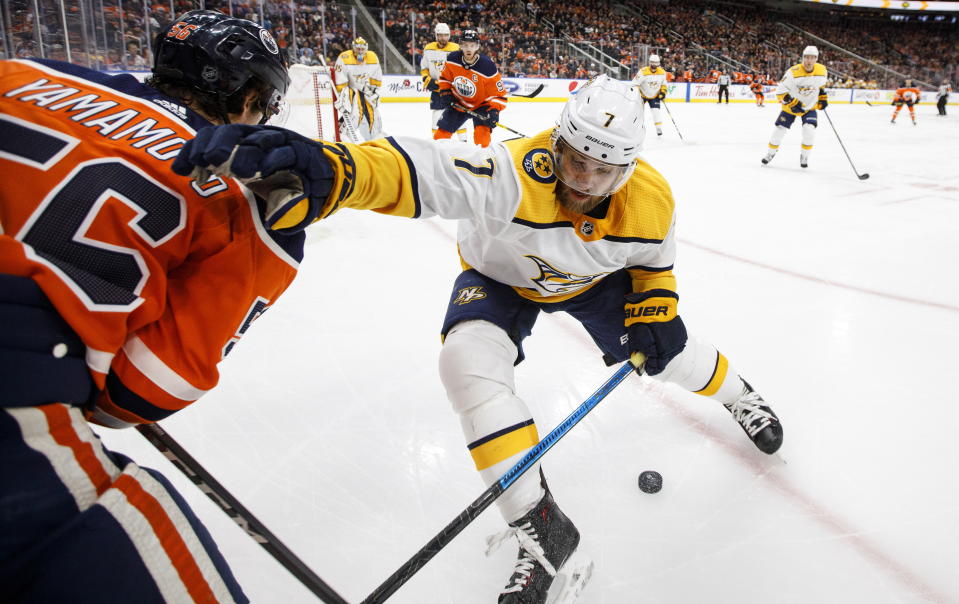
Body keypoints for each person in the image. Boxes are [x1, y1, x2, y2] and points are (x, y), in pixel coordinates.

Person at [174, 75, 785, 604]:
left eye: (605, 170)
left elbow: (656, 263)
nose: (585, 182)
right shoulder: (515, 174)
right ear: (557, 142)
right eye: (576, 161)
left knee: (672, 353)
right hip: (499, 278)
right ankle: (542, 530)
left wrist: (657, 304)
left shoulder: (649, 199)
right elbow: (426, 172)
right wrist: (340, 169)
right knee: (465, 365)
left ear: (627, 167)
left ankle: (741, 396)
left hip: (590, 282)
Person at [0, 10, 318, 602]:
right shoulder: (236, 196)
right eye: (264, 100)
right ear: (246, 92)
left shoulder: (19, 73)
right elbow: (145, 390)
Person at [433, 29, 507, 148]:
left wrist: (494, 111)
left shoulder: (487, 66)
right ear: (460, 45)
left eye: (472, 45)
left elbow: (499, 95)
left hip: (482, 105)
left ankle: (483, 163)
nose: (468, 49)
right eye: (465, 45)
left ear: (477, 46)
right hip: (459, 103)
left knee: (482, 142)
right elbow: (444, 78)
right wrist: (445, 92)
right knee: (439, 137)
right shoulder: (452, 58)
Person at [761, 45, 828, 168]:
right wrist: (792, 103)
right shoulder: (793, 72)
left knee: (809, 131)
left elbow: (821, 87)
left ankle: (805, 155)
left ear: (816, 59)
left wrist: (823, 98)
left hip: (809, 107)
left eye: (812, 58)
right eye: (806, 57)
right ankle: (771, 153)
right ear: (803, 58)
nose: (809, 61)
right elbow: (780, 92)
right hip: (790, 107)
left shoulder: (822, 70)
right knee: (779, 130)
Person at [421, 22, 465, 140]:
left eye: (445, 35)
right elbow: (424, 68)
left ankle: (463, 141)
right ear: (436, 35)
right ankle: (436, 141)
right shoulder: (429, 48)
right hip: (436, 89)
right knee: (436, 114)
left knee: (459, 114)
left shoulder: (456, 48)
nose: (443, 38)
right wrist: (426, 79)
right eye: (440, 35)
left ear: (449, 35)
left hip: (453, 89)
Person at [333, 37, 383, 140]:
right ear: (353, 48)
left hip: (366, 91)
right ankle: (342, 137)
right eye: (358, 48)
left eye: (362, 49)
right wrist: (343, 95)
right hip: (351, 91)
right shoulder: (345, 57)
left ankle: (374, 140)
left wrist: (375, 90)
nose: (360, 51)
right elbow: (340, 79)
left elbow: (376, 77)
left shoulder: (372, 57)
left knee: (373, 118)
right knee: (354, 115)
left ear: (366, 48)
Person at [632, 54, 668, 136]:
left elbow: (664, 84)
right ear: (649, 62)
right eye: (652, 63)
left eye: (656, 63)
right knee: (638, 112)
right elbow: (634, 84)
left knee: (656, 112)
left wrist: (663, 92)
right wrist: (636, 94)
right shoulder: (643, 72)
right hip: (642, 95)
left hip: (655, 96)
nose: (654, 65)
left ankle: (658, 128)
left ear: (658, 63)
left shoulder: (662, 72)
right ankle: (635, 127)